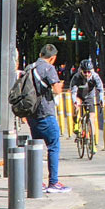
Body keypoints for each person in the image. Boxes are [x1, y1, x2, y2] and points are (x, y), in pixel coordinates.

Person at [27, 44, 70, 193]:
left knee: (36, 148)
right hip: (46, 112)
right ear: (53, 58)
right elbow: (57, 90)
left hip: (32, 114)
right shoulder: (48, 68)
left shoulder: (30, 67)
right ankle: (53, 182)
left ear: (40, 53)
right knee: (53, 146)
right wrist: (60, 84)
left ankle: (37, 182)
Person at [69, 59, 105, 150]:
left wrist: (101, 100)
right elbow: (73, 92)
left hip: (89, 97)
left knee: (92, 118)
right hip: (79, 95)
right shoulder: (76, 77)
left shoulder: (95, 77)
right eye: (85, 72)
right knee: (77, 106)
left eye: (89, 72)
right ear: (81, 70)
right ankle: (76, 123)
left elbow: (100, 89)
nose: (87, 74)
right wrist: (75, 102)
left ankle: (91, 142)